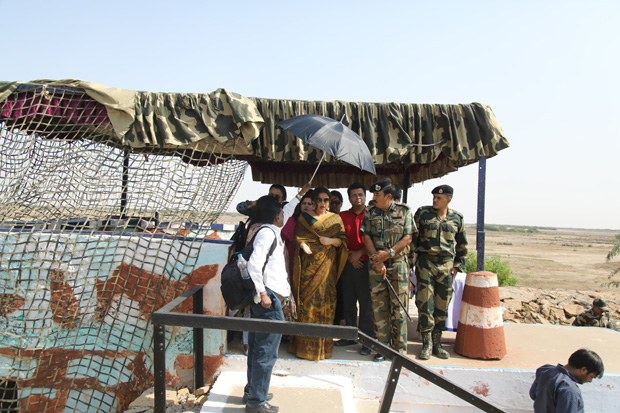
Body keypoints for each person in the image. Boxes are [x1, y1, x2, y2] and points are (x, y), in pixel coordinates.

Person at [289, 187, 348, 360]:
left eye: (326, 200)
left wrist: (330, 240)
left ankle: (322, 347)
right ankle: (302, 345)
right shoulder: (304, 218)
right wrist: (302, 245)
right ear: (313, 201)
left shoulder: (336, 219)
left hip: (327, 266)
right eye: (320, 200)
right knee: (306, 301)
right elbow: (297, 237)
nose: (323, 203)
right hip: (308, 267)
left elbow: (343, 241)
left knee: (326, 298)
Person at [243, 196, 290, 413]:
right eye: (281, 213)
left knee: (257, 347)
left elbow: (290, 210)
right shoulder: (267, 233)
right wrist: (263, 293)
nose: (284, 215)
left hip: (266, 297)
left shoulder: (270, 230)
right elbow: (254, 264)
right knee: (266, 350)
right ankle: (257, 402)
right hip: (267, 300)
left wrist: (301, 194)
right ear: (276, 217)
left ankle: (254, 391)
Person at [361, 178, 416, 361]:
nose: (374, 197)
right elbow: (366, 236)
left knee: (399, 308)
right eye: (374, 194)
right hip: (377, 265)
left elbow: (407, 237)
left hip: (398, 265)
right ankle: (382, 348)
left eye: (377, 194)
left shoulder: (404, 211)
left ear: (389, 196)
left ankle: (399, 350)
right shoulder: (371, 212)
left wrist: (389, 254)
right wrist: (377, 260)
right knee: (379, 308)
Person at [411, 184, 467, 360]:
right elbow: (412, 238)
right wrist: (410, 262)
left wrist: (456, 268)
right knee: (425, 304)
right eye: (434, 197)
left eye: (439, 198)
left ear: (448, 199)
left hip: (446, 266)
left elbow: (463, 246)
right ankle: (426, 344)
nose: (435, 200)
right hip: (426, 263)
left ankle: (437, 342)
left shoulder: (457, 218)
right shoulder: (423, 213)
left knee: (442, 307)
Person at [335, 183, 375, 355]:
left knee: (366, 305)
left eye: (360, 194)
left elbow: (377, 240)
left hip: (367, 264)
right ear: (349, 198)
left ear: (365, 196)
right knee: (348, 302)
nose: (357, 198)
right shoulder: (342, 216)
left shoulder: (373, 215)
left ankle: (367, 341)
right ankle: (349, 335)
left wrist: (360, 253)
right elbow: (338, 239)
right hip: (348, 263)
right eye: (354, 195)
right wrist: (352, 255)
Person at [529, 348, 604, 413]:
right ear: (583, 370)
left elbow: (533, 394)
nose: (590, 381)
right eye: (591, 377)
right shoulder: (569, 389)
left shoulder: (545, 370)